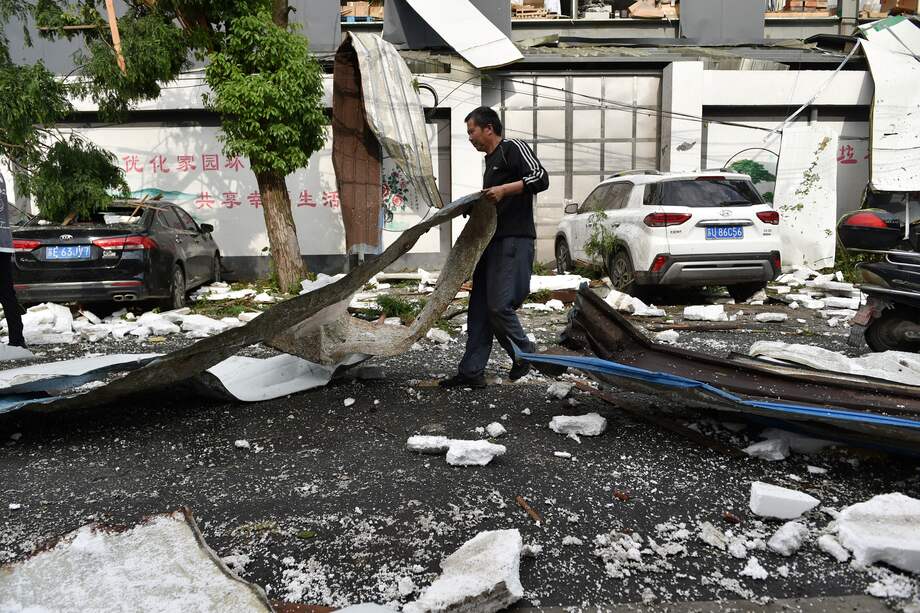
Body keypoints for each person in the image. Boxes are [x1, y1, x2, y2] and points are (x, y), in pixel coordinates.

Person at [440, 106, 549, 389]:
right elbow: (495, 201)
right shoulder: (490, 163)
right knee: (478, 309)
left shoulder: (513, 148)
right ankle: (471, 371)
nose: (470, 138)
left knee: (499, 305)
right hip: (490, 241)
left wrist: (503, 191)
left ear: (489, 128)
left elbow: (540, 177)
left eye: (471, 131)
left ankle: (524, 353)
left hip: (513, 240)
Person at [0, 173, 25, 349]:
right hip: (4, 242)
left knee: (6, 294)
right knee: (7, 294)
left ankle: (17, 340)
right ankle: (17, 340)